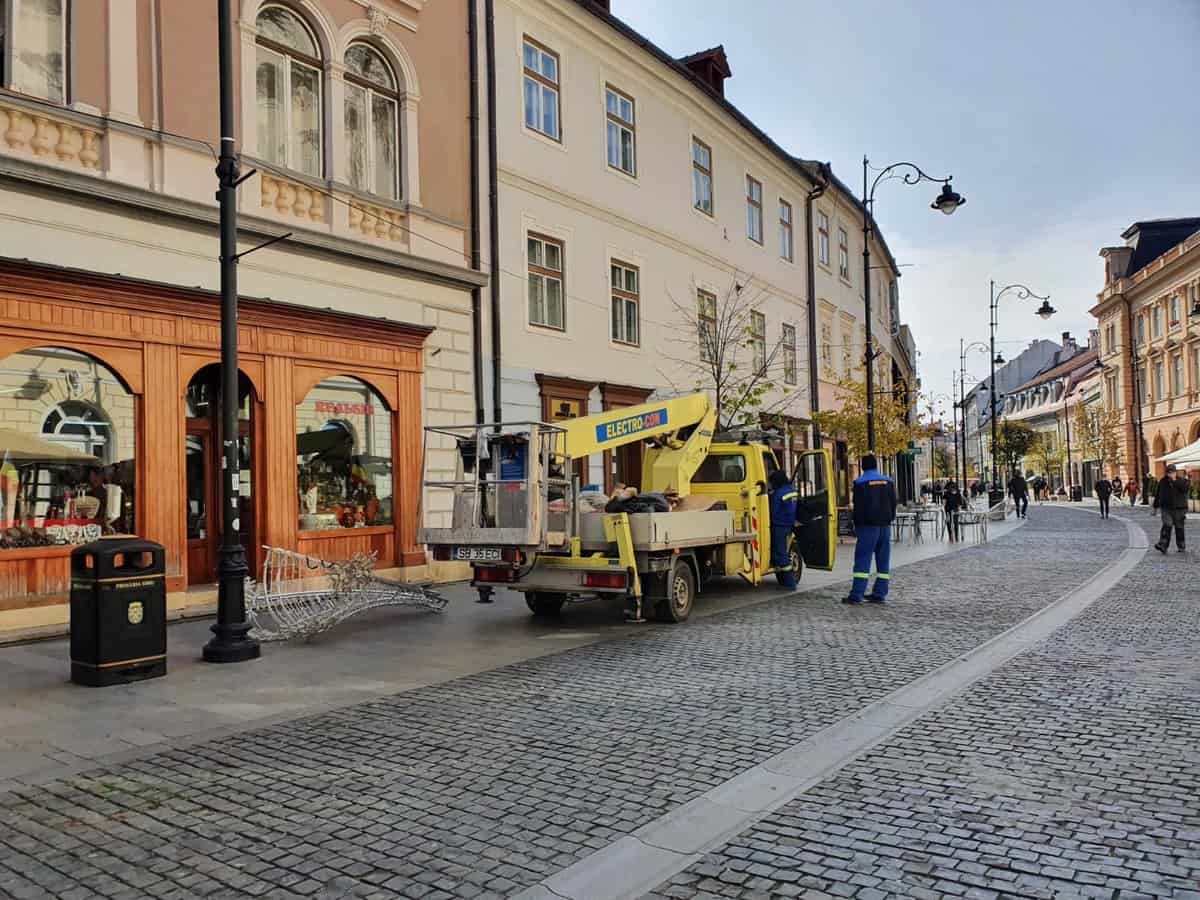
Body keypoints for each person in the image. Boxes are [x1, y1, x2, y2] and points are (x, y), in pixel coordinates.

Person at [844, 455, 897, 605]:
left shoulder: (860, 483)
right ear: (875, 465)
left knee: (862, 560)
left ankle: (856, 594)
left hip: (867, 527)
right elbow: (893, 503)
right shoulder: (888, 481)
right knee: (883, 561)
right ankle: (880, 593)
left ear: (863, 466)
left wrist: (856, 525)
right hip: (885, 526)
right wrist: (889, 519)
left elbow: (858, 507)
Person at [767, 469, 798, 589]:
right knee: (783, 552)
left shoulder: (777, 494)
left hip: (778, 526)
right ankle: (785, 581)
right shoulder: (792, 490)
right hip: (788, 525)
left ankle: (789, 584)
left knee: (781, 554)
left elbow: (772, 511)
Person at [1153, 464, 1189, 554]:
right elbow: (1158, 494)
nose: (1170, 474)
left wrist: (1174, 481)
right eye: (1168, 472)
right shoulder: (1163, 481)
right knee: (1167, 524)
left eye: (1172, 472)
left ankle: (1181, 545)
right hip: (1166, 508)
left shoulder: (1182, 481)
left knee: (1179, 527)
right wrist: (1155, 506)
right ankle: (1163, 545)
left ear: (1175, 472)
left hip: (1179, 508)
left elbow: (1185, 489)